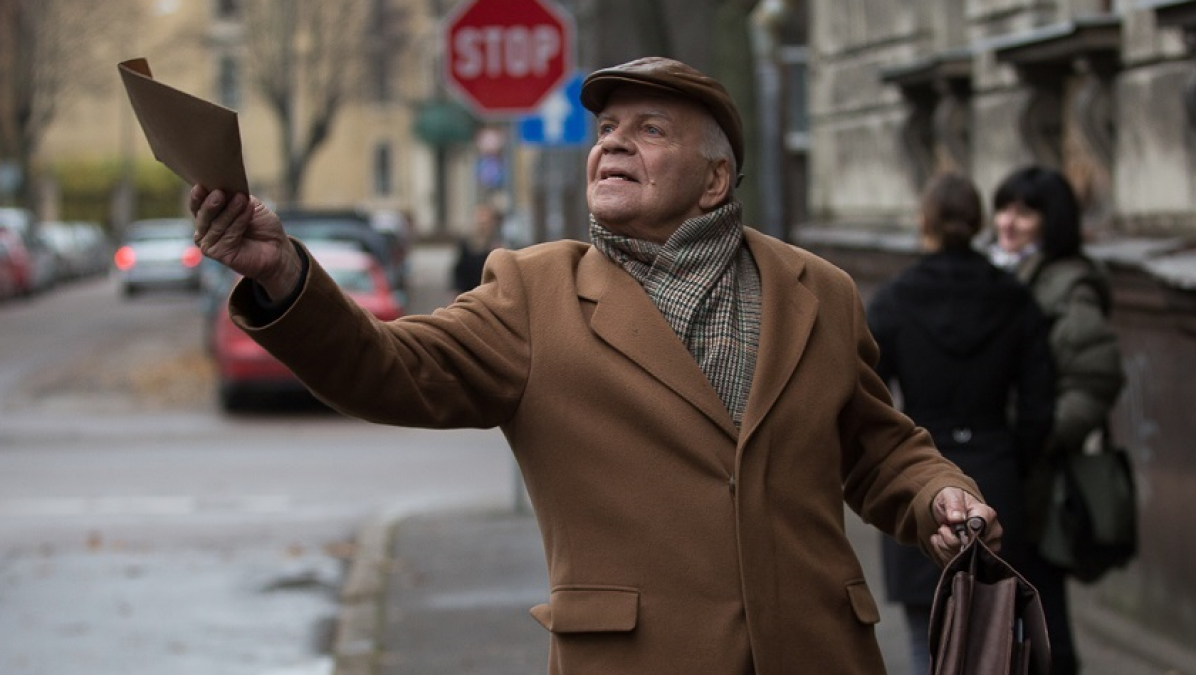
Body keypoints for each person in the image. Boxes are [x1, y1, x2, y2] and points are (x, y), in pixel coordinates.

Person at [190, 56, 1001, 674]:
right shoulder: (533, 291)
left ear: (716, 177)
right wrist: (284, 274)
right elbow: (389, 367)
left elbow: (875, 445)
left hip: (820, 654)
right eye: (606, 129)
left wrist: (938, 492)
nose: (613, 142)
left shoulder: (816, 290)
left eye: (649, 129)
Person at [867, 172, 1055, 674]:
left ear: (924, 221)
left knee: (920, 637)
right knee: (998, 641)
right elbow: (1039, 405)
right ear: (976, 222)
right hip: (994, 477)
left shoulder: (894, 300)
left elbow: (866, 396)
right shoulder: (1014, 298)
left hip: (920, 477)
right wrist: (1014, 460)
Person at [987, 165, 1126, 675]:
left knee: (1045, 620)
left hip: (1036, 481)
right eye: (1004, 207)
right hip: (1002, 466)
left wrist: (1036, 441)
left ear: (1053, 220)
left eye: (1025, 212)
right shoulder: (996, 267)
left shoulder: (1067, 286)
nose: (1008, 221)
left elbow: (1094, 379)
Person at [452, 203, 505, 293]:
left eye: (485, 221)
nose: (482, 224)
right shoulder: (466, 241)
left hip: (489, 291)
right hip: (469, 291)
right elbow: (459, 269)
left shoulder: (497, 242)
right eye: (480, 219)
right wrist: (455, 290)